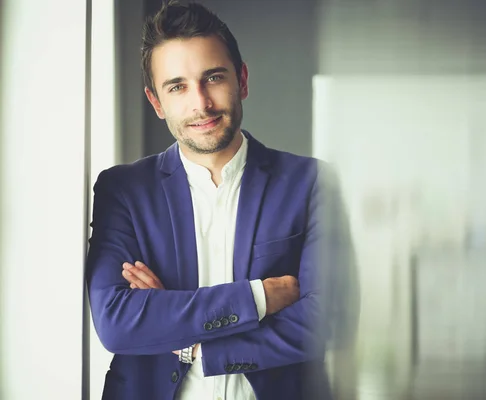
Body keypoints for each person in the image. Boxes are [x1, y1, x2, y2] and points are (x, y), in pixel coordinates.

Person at [85, 1, 358, 399]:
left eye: (213, 78)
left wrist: (192, 344)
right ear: (157, 102)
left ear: (241, 80)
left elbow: (330, 319)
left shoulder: (312, 183)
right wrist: (260, 297)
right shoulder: (123, 191)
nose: (201, 103)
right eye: (177, 86)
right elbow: (117, 323)